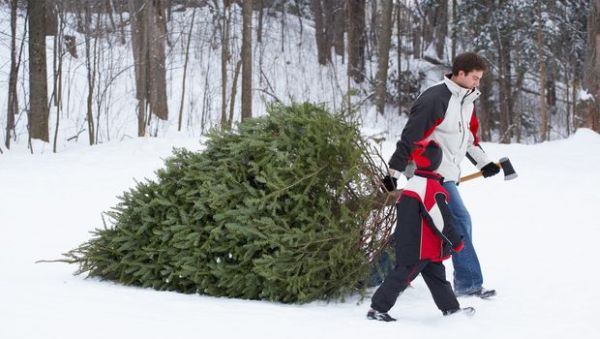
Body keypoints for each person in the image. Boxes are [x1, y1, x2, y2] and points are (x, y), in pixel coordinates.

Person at [384, 52, 500, 299]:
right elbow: (411, 137)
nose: (478, 83)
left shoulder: (467, 100)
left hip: (446, 171)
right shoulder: (435, 98)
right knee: (459, 220)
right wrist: (393, 173)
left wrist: (484, 163)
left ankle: (378, 272)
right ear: (460, 73)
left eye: (480, 79)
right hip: (427, 172)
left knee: (418, 227)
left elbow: (468, 138)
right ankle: (469, 282)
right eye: (475, 78)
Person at [367, 140, 473, 322]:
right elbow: (441, 221)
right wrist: (456, 242)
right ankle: (377, 309)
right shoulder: (431, 189)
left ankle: (451, 309)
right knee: (401, 277)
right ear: (437, 162)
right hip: (419, 248)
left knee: (438, 279)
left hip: (421, 246)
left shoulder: (412, 184)